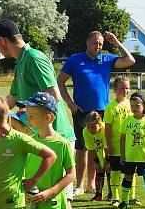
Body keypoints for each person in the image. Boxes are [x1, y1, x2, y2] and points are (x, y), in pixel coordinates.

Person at [0, 19, 80, 209]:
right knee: (38, 197)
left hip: (55, 137)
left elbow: (54, 96)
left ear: (1, 40)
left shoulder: (36, 58)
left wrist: (36, 124)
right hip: (35, 138)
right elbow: (13, 99)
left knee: (62, 201)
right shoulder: (20, 62)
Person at [57, 30, 136, 196]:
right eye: (95, 43)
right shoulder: (75, 60)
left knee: (100, 148)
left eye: (100, 44)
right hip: (81, 111)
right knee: (82, 148)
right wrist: (70, 103)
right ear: (87, 43)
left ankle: (93, 184)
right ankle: (80, 184)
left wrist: (116, 42)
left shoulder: (107, 59)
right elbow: (60, 82)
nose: (97, 46)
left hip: (102, 111)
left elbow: (130, 60)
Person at [118, 92, 145, 209]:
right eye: (132, 106)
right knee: (127, 178)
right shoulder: (127, 120)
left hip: (144, 156)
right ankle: (124, 201)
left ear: (144, 106)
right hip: (130, 156)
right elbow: (122, 138)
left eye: (137, 106)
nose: (134, 108)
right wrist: (122, 155)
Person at [104, 75, 133, 206]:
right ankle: (115, 198)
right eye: (122, 88)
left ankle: (131, 197)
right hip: (116, 146)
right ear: (115, 89)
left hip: (130, 147)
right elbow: (108, 128)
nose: (125, 91)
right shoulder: (110, 107)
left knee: (130, 171)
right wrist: (109, 145)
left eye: (127, 88)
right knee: (115, 172)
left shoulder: (132, 104)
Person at [81, 111, 107, 201]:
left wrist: (108, 161)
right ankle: (98, 194)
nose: (90, 130)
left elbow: (108, 147)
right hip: (99, 153)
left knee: (110, 171)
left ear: (99, 124)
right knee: (99, 172)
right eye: (88, 127)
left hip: (110, 153)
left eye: (92, 127)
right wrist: (96, 162)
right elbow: (91, 148)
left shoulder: (105, 129)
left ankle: (112, 194)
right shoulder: (86, 131)